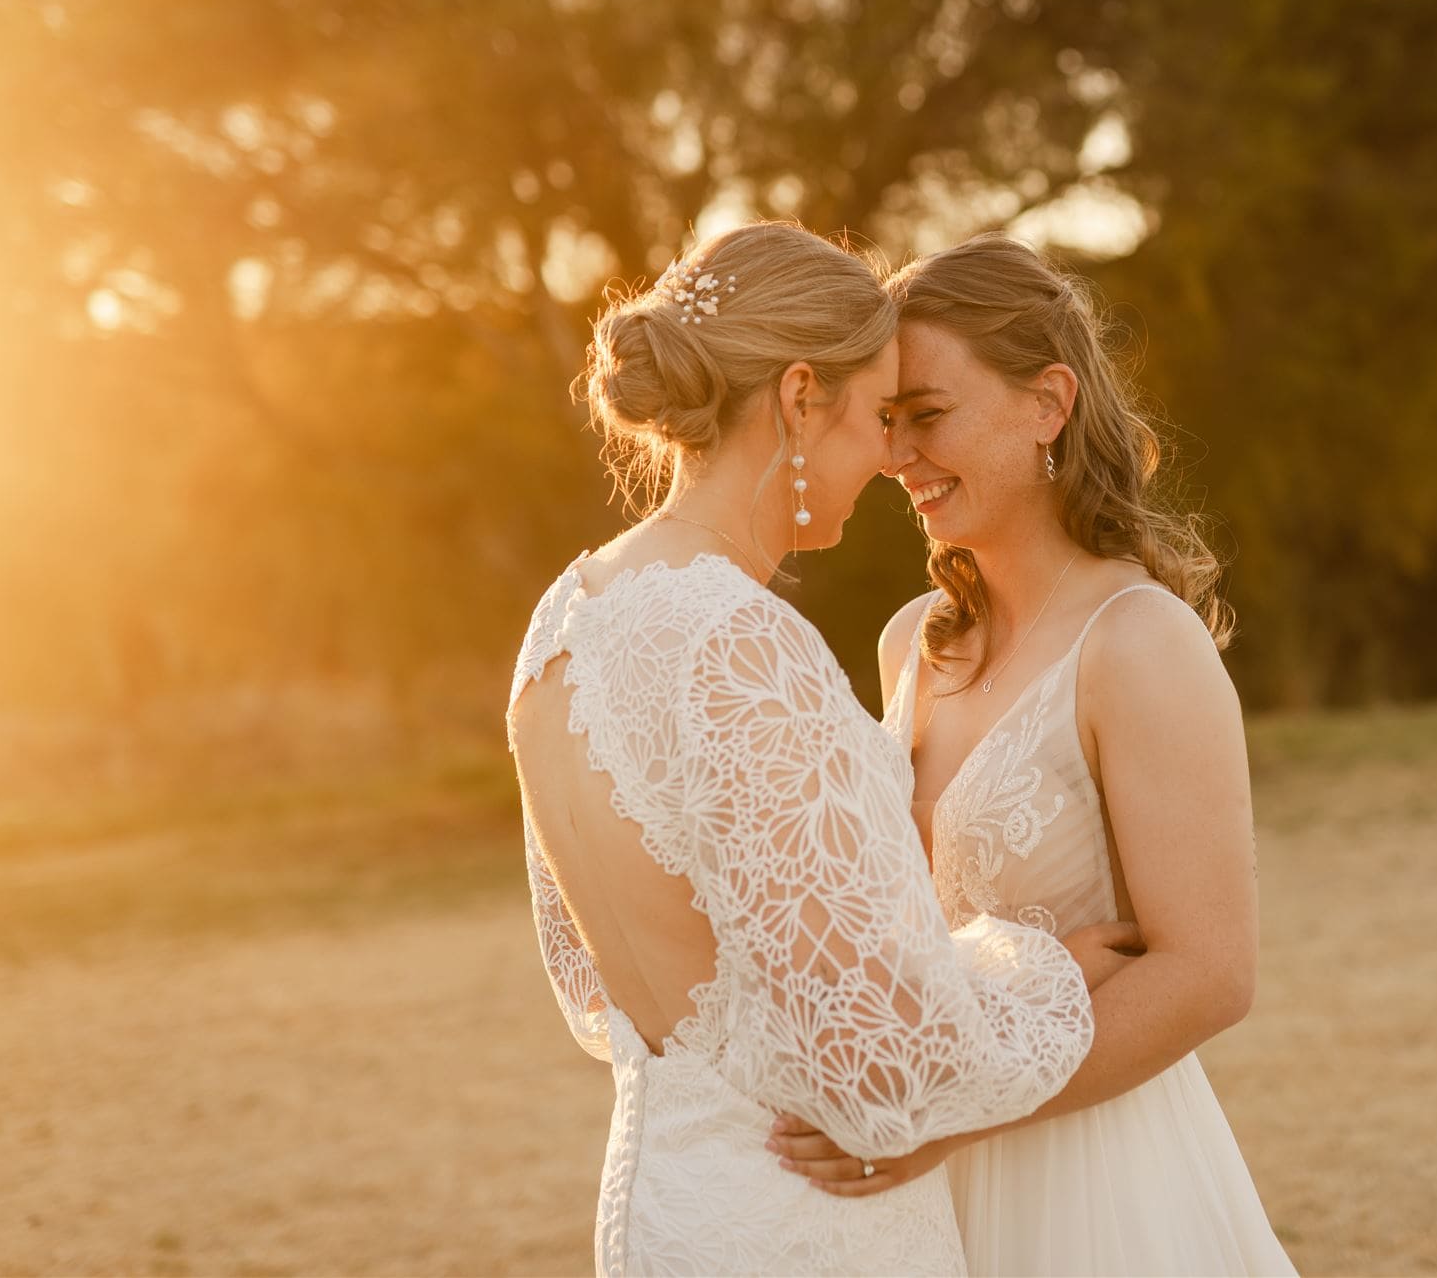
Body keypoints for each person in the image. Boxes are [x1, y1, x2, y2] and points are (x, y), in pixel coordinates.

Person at [506, 222, 1128, 1276]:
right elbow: (876, 1072)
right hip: (802, 1220)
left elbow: (594, 986)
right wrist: (1043, 968)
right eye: (878, 414)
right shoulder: (738, 642)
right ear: (800, 399)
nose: (891, 456)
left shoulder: (560, 621)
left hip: (662, 1197)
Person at [768, 232, 1297, 1276]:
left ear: (1046, 404)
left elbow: (1208, 973)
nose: (895, 457)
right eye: (886, 423)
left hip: (1093, 1181)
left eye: (927, 416)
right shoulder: (910, 643)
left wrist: (956, 1115)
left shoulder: (1139, 642)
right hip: (928, 1182)